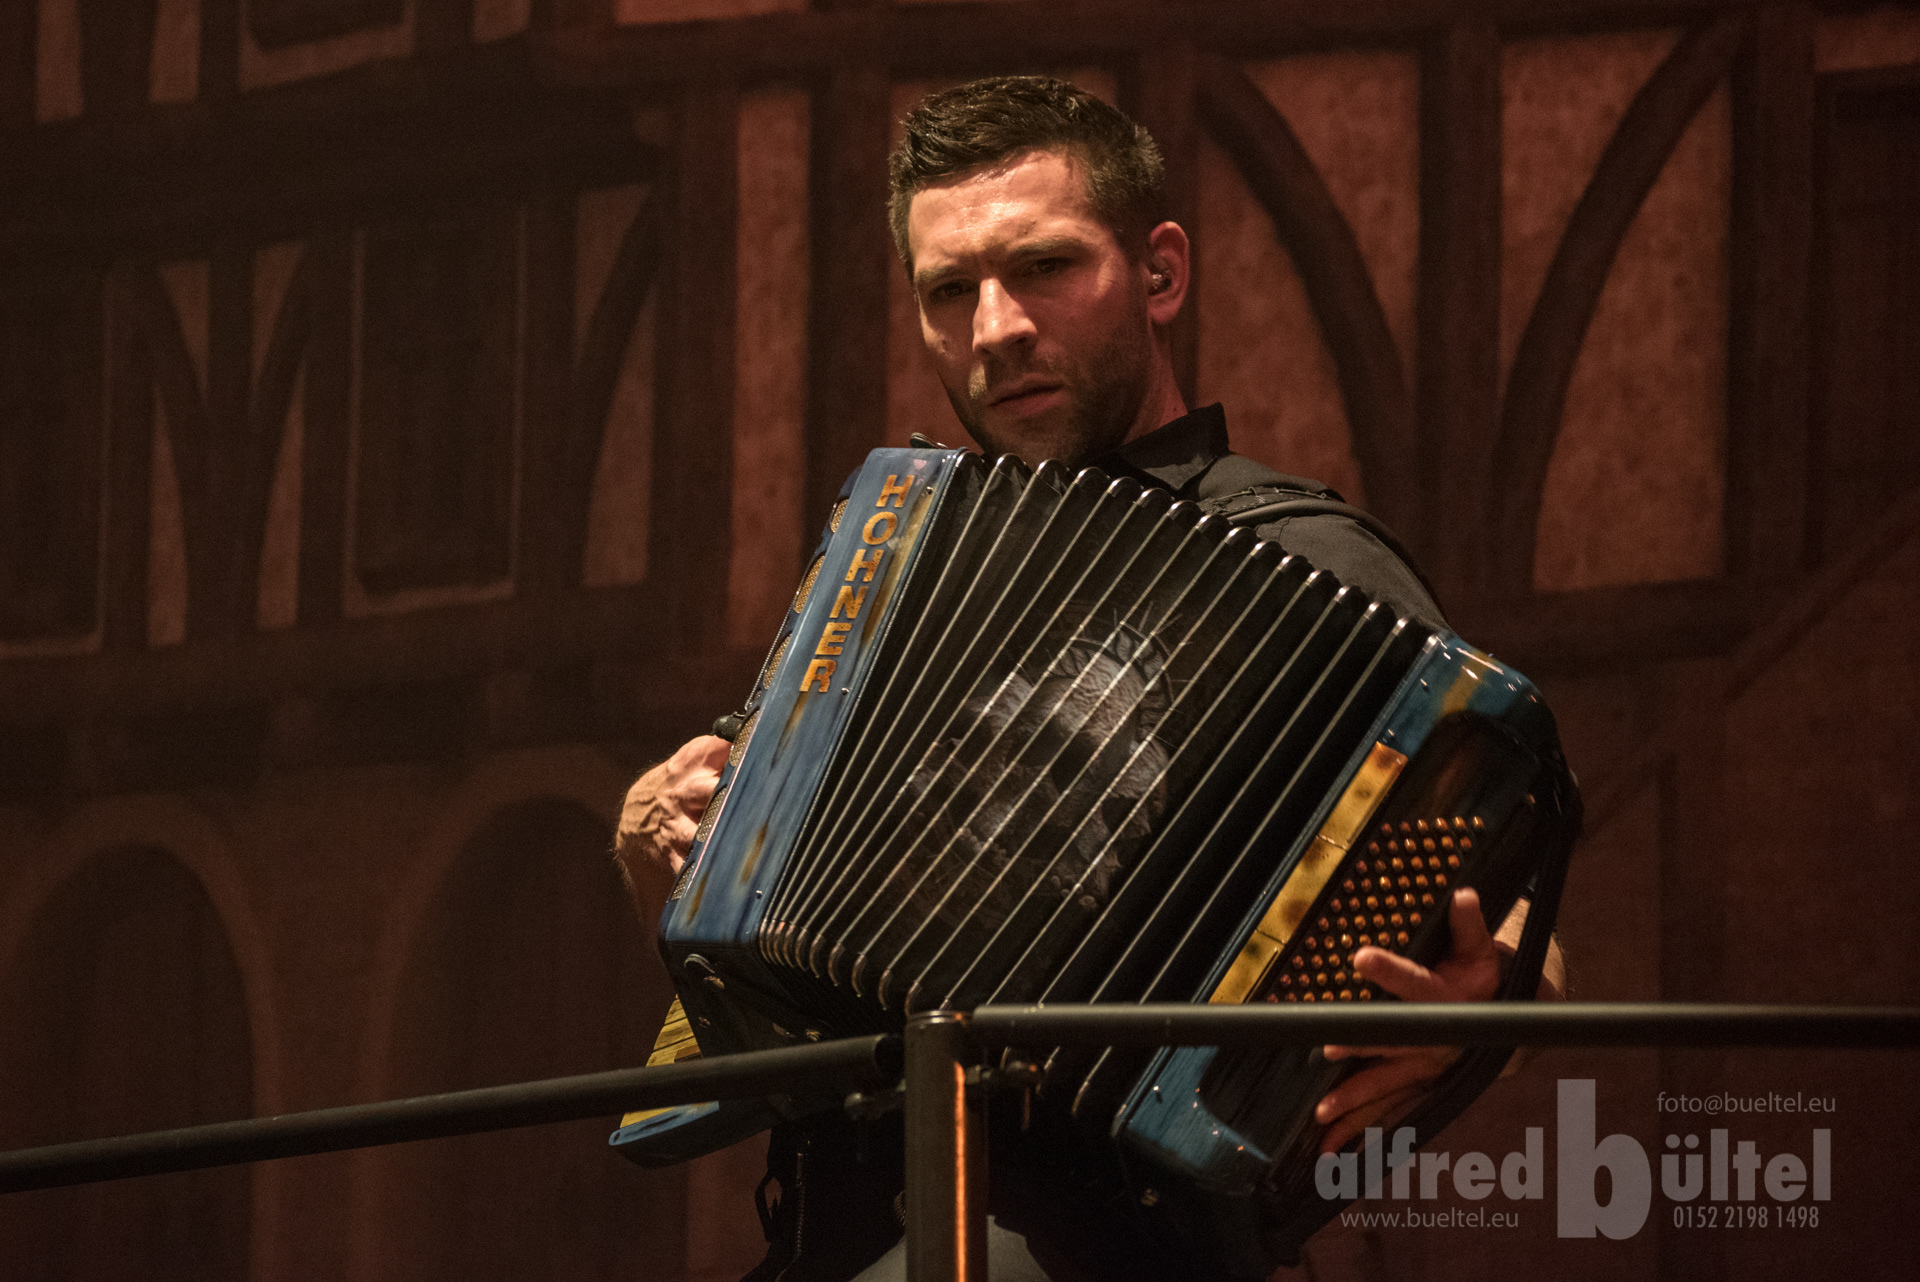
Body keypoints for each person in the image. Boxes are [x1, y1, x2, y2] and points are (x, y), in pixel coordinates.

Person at [616, 77, 1565, 1281]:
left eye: (1044, 267)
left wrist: (1493, 1005)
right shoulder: (894, 557)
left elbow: (1500, 912)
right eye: (949, 290)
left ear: (1160, 273)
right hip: (843, 1235)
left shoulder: (1308, 568)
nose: (995, 328)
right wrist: (650, 838)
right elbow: (740, 921)